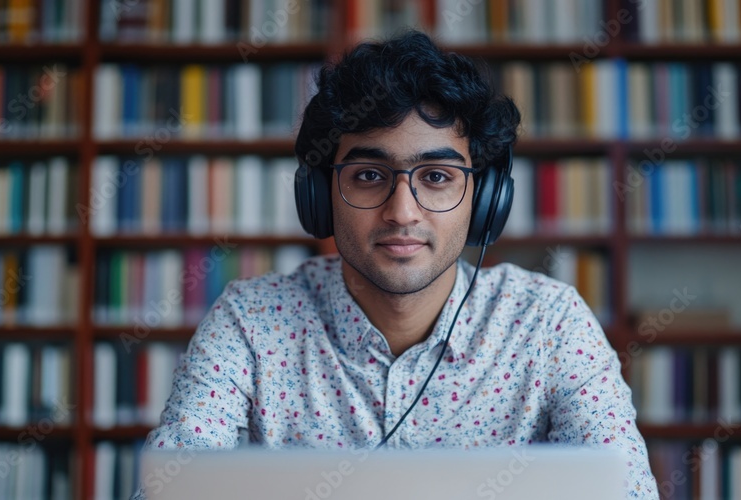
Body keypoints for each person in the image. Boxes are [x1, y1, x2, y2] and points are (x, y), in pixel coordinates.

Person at [135, 30, 657, 499]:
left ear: (485, 196)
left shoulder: (549, 323)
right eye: (367, 175)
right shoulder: (249, 323)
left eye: (436, 177)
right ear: (320, 195)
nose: (402, 212)